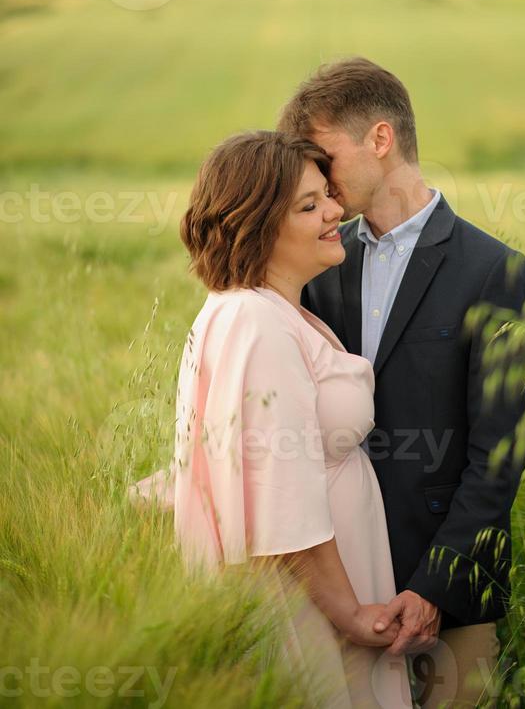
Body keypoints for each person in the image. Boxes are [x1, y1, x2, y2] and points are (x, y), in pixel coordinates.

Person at [277, 57, 525, 707]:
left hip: (452, 597)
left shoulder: (497, 272)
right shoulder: (319, 263)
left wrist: (434, 587)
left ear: (380, 139)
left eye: (324, 155)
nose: (317, 178)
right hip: (339, 585)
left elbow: (499, 459)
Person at [129, 130, 413, 709]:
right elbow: (280, 490)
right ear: (256, 224)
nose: (336, 211)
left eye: (327, 195)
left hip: (325, 583)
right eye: (309, 206)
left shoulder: (269, 311)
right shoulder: (257, 322)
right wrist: (351, 614)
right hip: (306, 602)